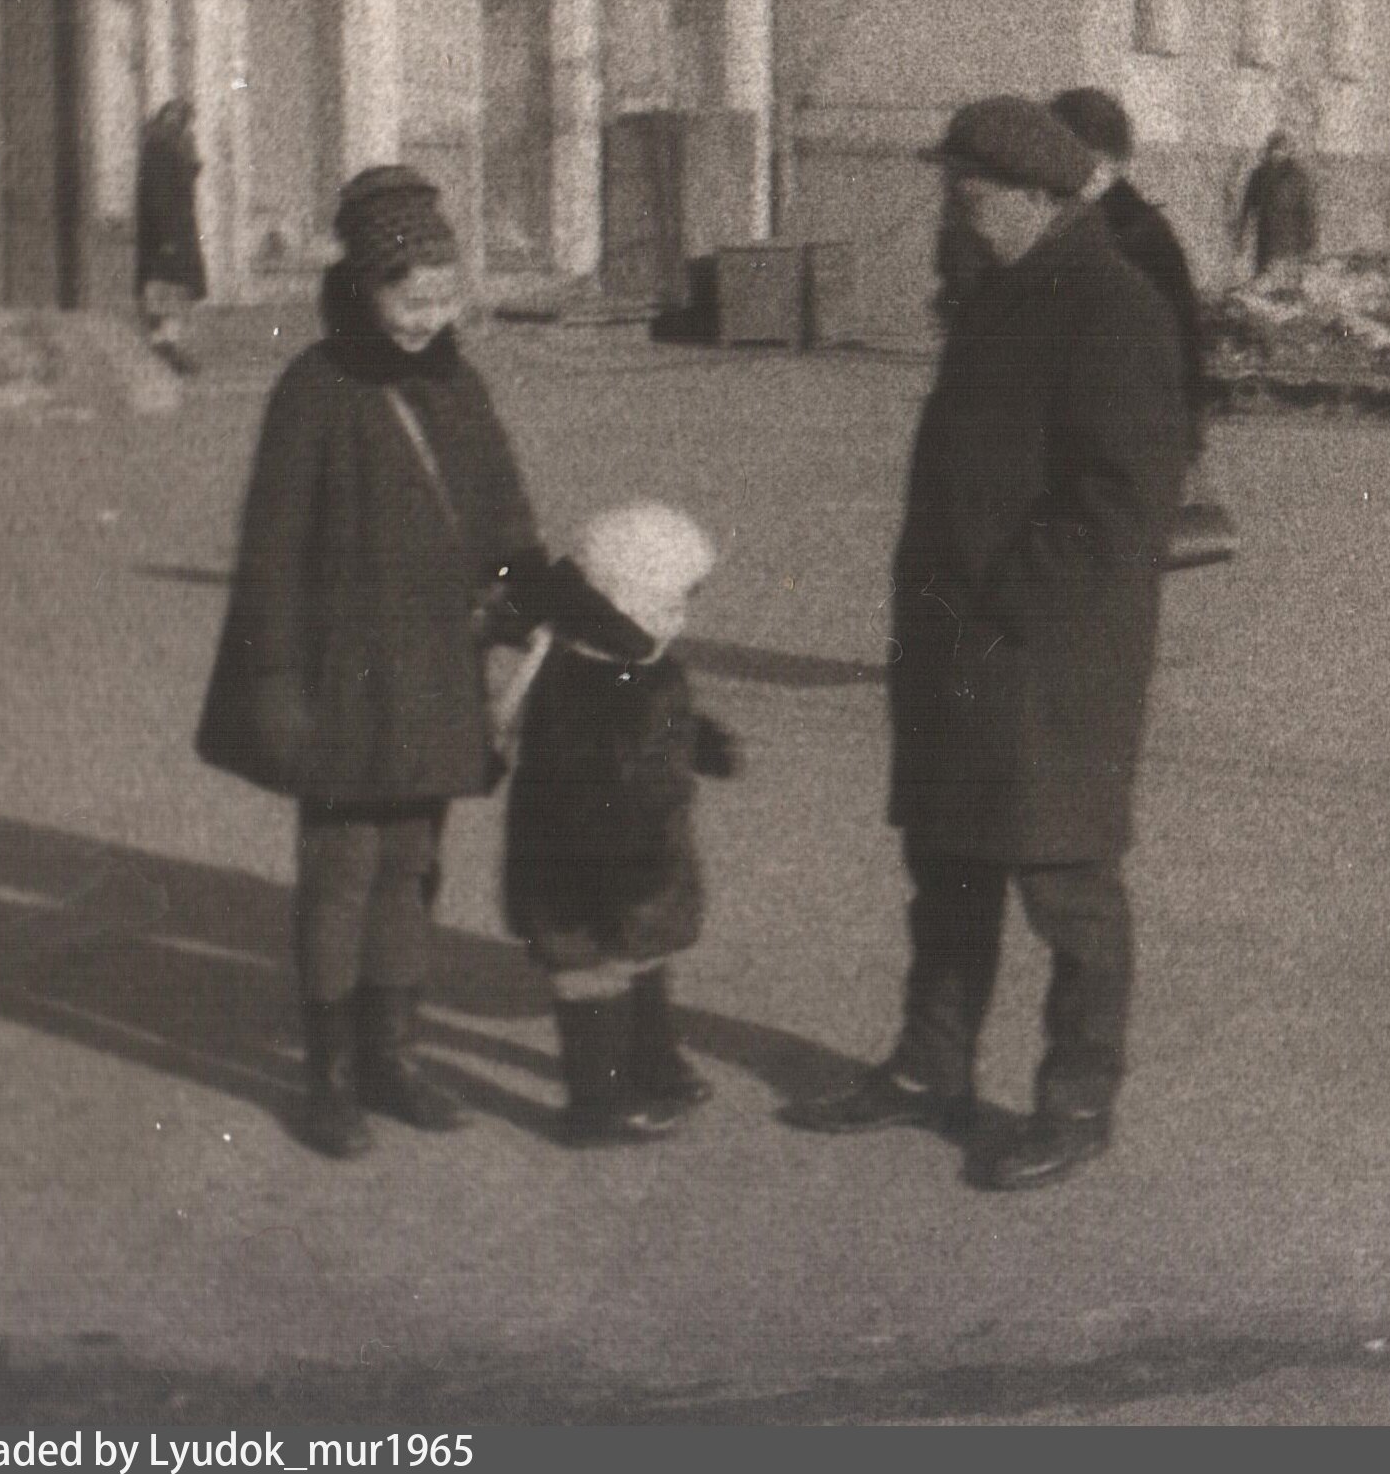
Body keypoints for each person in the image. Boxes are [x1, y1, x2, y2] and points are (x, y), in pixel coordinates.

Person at [783, 98, 1192, 1192]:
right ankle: (929, 1068)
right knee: (949, 867)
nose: (953, 216)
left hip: (1049, 652)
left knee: (1067, 886)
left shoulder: (1110, 305)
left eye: (969, 197)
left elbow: (1125, 501)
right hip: (966, 641)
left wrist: (1007, 603)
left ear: (1036, 198)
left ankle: (1076, 1099)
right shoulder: (1003, 293)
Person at [195, 165, 543, 1158]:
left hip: (436, 672)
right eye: (411, 296)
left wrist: (525, 619)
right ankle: (330, 1076)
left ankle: (395, 1056)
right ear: (365, 284)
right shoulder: (315, 389)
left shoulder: (456, 382)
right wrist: (272, 681)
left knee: (413, 863)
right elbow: (268, 551)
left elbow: (505, 515)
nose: (429, 317)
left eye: (444, 298)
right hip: (340, 678)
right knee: (341, 869)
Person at [499, 503, 742, 1147]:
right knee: (592, 971)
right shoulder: (586, 681)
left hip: (641, 850)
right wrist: (621, 860)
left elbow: (664, 722)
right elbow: (579, 791)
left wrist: (698, 741)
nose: (682, 614)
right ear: (626, 600)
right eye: (671, 600)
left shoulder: (635, 658)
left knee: (643, 951)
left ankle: (652, 1060)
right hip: (588, 866)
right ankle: (595, 1104)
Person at [1051, 87, 1209, 462]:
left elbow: (1184, 336)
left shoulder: (1140, 234)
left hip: (1127, 431)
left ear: (1098, 159)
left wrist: (1188, 439)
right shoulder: (1070, 224)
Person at [135, 97, 208, 372]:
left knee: (171, 291)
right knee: (170, 291)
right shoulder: (161, 147)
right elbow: (159, 194)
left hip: (173, 229)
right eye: (181, 119)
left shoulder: (169, 144)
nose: (185, 125)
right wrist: (166, 237)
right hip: (168, 232)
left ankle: (166, 345)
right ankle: (165, 347)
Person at [1233, 128, 1318, 284]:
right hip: (1265, 245)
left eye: (1281, 150)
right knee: (1265, 285)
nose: (1277, 154)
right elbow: (1247, 208)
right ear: (1268, 151)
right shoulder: (1258, 176)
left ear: (1288, 152)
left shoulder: (1298, 177)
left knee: (1288, 287)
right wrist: (1240, 237)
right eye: (1274, 150)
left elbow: (1308, 213)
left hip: (1291, 246)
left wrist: (1309, 243)